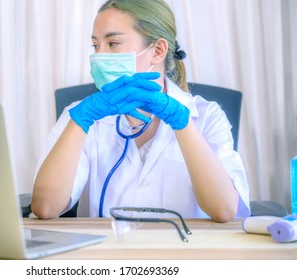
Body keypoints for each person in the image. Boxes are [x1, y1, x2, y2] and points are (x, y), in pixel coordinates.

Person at [32, 0, 250, 222]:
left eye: (113, 43)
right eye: (96, 46)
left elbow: (224, 211)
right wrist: (81, 120)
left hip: (185, 252)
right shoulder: (80, 114)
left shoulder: (207, 116)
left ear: (158, 50)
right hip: (106, 253)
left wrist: (182, 124)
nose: (99, 56)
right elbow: (45, 207)